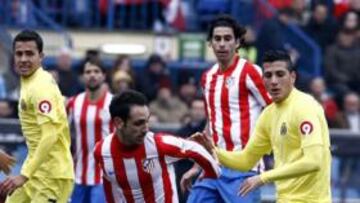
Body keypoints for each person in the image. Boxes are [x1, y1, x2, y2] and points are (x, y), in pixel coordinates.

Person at [196, 50, 332, 202]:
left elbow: (314, 161)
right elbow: (246, 160)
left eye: (280, 74)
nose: (273, 81)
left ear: (292, 77)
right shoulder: (268, 115)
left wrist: (263, 178)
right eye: (268, 75)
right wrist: (213, 151)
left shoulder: (305, 107)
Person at [181, 14, 272, 203]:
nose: (222, 44)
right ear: (210, 44)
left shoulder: (250, 72)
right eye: (217, 39)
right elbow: (212, 123)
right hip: (214, 167)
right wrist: (198, 166)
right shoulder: (208, 77)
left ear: (237, 42)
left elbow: (275, 109)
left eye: (227, 39)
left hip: (244, 169)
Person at [93, 90, 221, 202]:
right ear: (119, 123)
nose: (146, 129)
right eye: (139, 123)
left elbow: (197, 149)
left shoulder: (159, 145)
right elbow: (110, 186)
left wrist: (208, 175)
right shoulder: (102, 151)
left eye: (147, 121)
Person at [0, 30, 74, 202]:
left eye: (29, 54)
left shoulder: (40, 87)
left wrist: (24, 175)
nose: (24, 59)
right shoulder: (30, 82)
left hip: (52, 178)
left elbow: (50, 135)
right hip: (36, 172)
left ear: (41, 57)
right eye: (19, 54)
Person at [66, 60, 113, 203]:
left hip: (105, 174)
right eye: (88, 72)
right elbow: (63, 133)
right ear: (83, 76)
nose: (92, 75)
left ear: (104, 76)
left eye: (96, 71)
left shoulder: (114, 103)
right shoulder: (73, 103)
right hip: (78, 173)